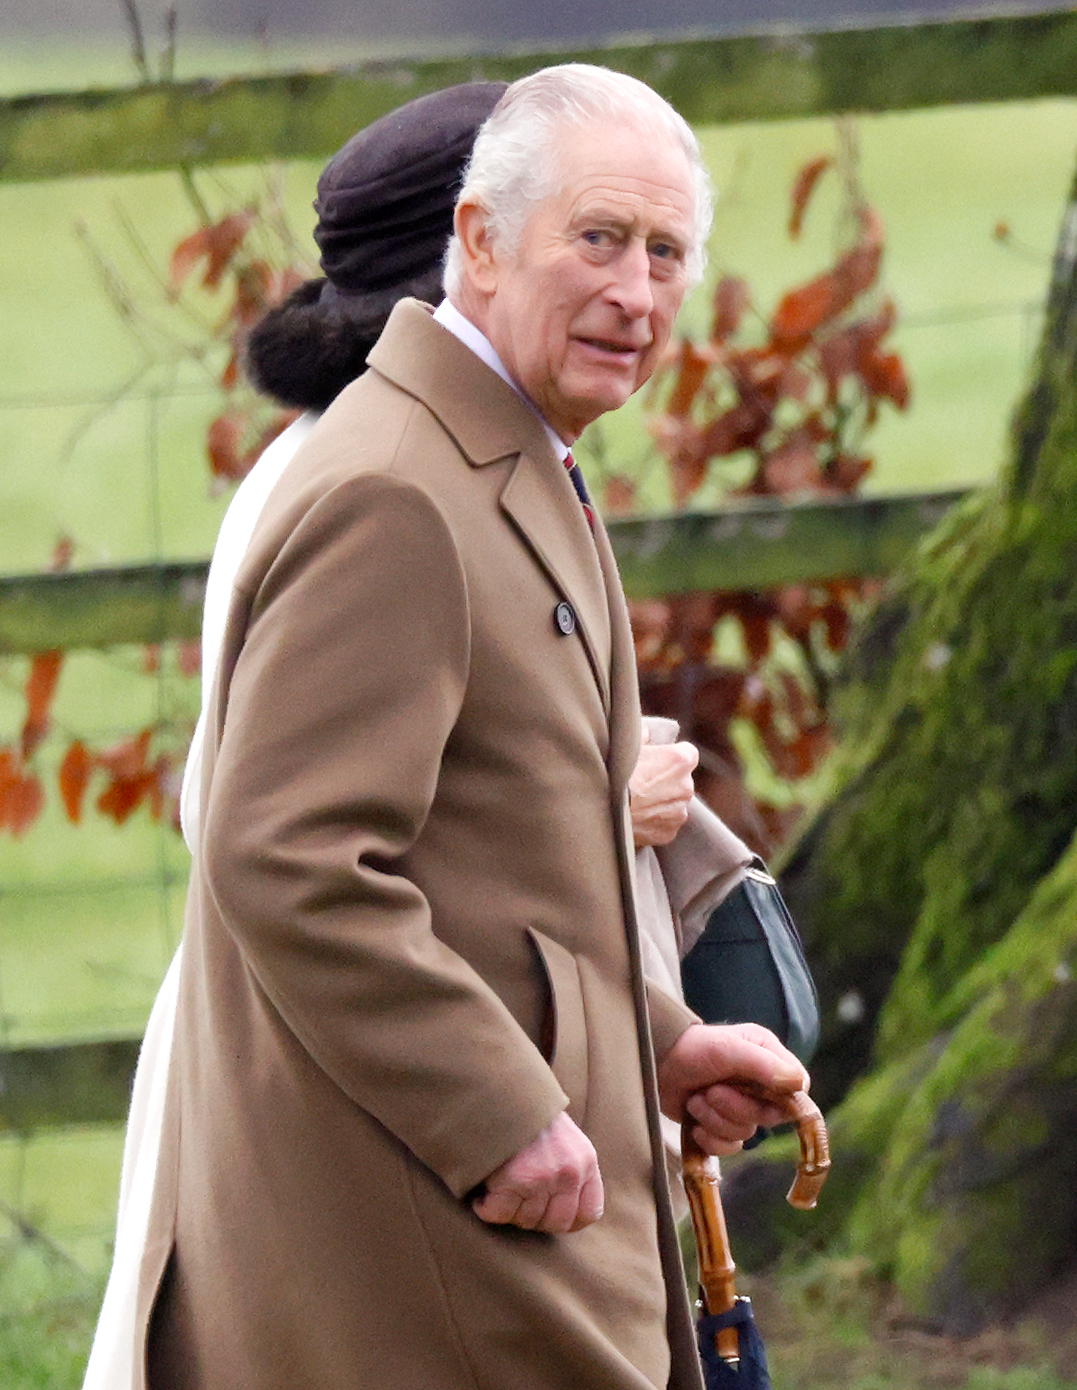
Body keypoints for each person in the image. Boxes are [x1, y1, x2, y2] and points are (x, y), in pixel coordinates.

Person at [127, 64, 808, 1390]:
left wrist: (659, 1043)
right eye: (598, 239)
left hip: (486, 1231)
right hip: (424, 1255)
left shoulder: (502, 453)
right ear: (478, 244)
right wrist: (496, 1112)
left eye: (667, 252)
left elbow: (495, 851)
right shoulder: (400, 492)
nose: (637, 291)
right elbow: (284, 855)